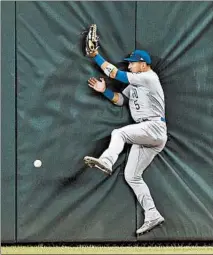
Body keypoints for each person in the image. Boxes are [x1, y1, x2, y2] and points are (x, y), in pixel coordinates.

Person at [84, 48, 168, 235]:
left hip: (153, 126)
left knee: (119, 134)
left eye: (132, 63)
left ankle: (106, 160)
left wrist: (95, 56)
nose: (129, 65)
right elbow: (121, 100)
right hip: (147, 132)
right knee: (132, 176)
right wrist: (105, 91)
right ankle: (152, 214)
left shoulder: (149, 77)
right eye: (129, 63)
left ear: (144, 64)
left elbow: (114, 73)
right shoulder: (136, 82)